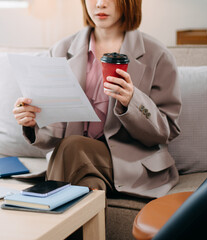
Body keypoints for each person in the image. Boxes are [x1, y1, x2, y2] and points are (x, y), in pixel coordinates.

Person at [12, 0, 181, 198]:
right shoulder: (60, 50)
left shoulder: (158, 55)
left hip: (130, 162)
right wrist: (32, 122)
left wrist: (132, 101)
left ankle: (41, 216)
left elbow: (166, 131)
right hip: (80, 162)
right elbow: (52, 136)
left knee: (71, 146)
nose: (100, 4)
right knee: (89, 187)